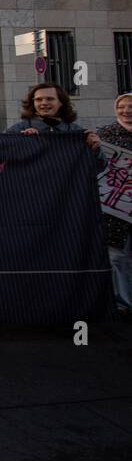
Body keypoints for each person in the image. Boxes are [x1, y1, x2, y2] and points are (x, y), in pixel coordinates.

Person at [96, 93, 132, 314]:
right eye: (122, 107)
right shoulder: (104, 135)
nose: (127, 111)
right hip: (116, 211)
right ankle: (122, 304)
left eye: (131, 107)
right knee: (116, 258)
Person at [5, 83, 103, 153]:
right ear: (33, 103)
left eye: (50, 99)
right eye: (39, 99)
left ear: (61, 102)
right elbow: (0, 158)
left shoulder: (75, 131)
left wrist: (95, 149)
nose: (44, 103)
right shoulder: (17, 130)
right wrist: (20, 142)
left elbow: (97, 167)